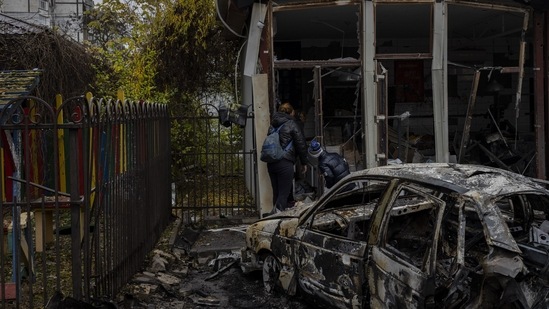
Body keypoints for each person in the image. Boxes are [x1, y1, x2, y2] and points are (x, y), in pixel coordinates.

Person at [267, 102, 308, 213]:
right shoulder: (292, 124)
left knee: (277, 193)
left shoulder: (272, 125)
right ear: (291, 112)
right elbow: (301, 143)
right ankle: (277, 219)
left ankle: (274, 218)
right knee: (284, 194)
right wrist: (304, 162)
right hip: (284, 162)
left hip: (271, 162)